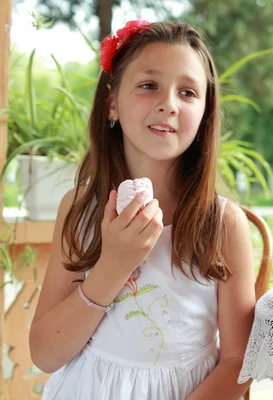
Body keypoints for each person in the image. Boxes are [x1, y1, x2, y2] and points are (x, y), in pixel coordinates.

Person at [29, 20, 256, 400]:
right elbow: (45, 353)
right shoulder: (80, 211)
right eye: (149, 85)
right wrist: (114, 264)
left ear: (203, 115)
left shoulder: (222, 224)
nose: (168, 103)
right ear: (112, 103)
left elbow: (239, 360)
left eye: (187, 92)